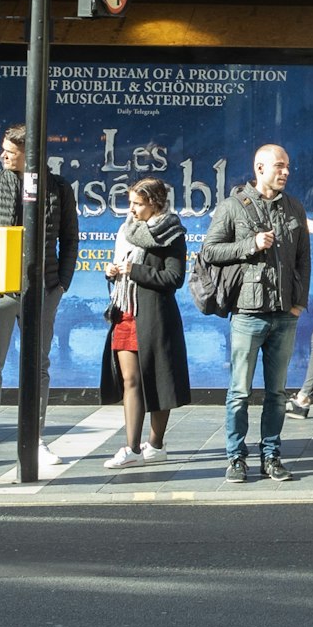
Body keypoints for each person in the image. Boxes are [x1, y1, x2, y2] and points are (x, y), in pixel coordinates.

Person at [0, 125, 79, 474]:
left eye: (11, 152)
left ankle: (36, 438)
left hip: (41, 290)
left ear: (30, 153)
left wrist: (60, 285)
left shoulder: (58, 188)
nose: (4, 156)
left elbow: (70, 239)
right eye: (3, 150)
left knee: (38, 368)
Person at [203, 141, 310, 480]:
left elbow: (303, 261)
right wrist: (250, 245)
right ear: (259, 168)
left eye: (287, 166)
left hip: (283, 314)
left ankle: (271, 455)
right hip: (248, 313)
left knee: (277, 393)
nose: (286, 172)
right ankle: (236, 457)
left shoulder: (295, 208)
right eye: (279, 166)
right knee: (239, 392)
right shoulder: (233, 207)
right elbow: (210, 251)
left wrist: (299, 303)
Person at [100, 180, 193, 467]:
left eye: (138, 204)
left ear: (155, 203)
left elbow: (174, 278)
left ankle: (155, 444)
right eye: (131, 203)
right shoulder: (127, 229)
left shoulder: (171, 233)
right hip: (126, 311)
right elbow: (121, 267)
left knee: (158, 379)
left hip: (155, 316)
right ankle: (131, 448)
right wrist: (113, 271)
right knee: (130, 380)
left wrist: (135, 270)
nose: (132, 209)